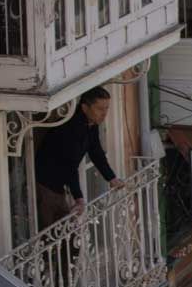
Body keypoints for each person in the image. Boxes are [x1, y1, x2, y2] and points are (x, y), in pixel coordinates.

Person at [34, 87, 124, 228]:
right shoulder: (70, 127)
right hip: (46, 185)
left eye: (106, 108)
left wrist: (111, 178)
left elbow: (96, 152)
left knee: (65, 233)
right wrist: (79, 199)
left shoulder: (91, 123)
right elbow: (69, 165)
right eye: (100, 109)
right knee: (52, 233)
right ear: (84, 107)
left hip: (59, 186)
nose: (104, 113)